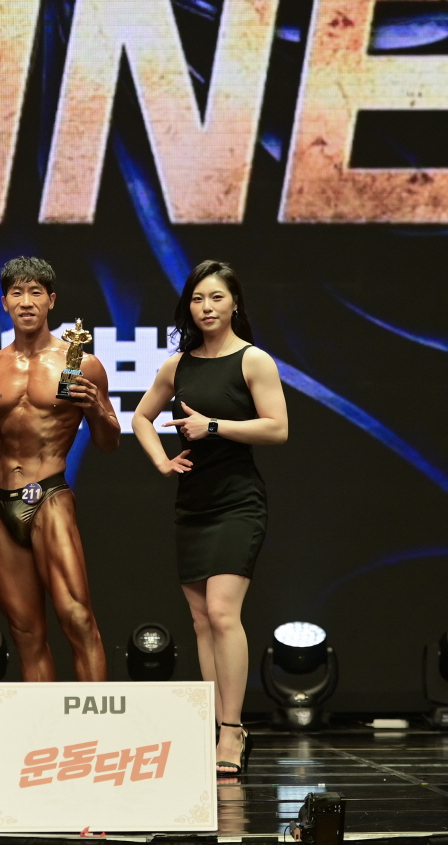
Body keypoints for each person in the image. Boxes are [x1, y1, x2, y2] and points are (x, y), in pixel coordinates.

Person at [131, 260, 288, 777]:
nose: (207, 307)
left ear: (234, 303)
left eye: (217, 297)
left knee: (222, 613)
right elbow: (141, 417)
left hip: (238, 500)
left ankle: (232, 731)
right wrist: (161, 460)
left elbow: (277, 428)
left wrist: (214, 426)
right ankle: (213, 725)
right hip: (192, 501)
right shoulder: (178, 365)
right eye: (198, 299)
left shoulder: (253, 360)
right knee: (201, 621)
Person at [0, 257, 122, 681]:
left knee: (77, 618)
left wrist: (96, 407)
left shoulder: (79, 363)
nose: (26, 302)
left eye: (35, 293)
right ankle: (43, 722)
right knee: (25, 631)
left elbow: (109, 442)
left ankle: (95, 720)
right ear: (4, 303)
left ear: (51, 301)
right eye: (17, 293)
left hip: (49, 495)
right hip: (2, 502)